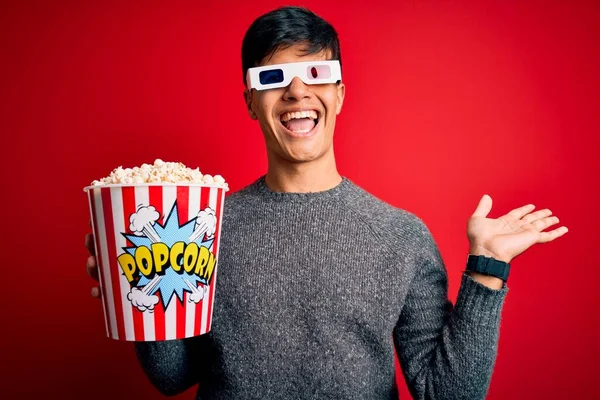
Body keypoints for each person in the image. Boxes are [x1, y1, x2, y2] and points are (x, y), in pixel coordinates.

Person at [85, 6, 568, 399]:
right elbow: (172, 378)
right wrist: (140, 286)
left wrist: (489, 268)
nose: (297, 90)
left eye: (316, 73)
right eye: (274, 76)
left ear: (339, 94)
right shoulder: (199, 228)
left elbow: (446, 393)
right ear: (251, 102)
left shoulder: (400, 235)